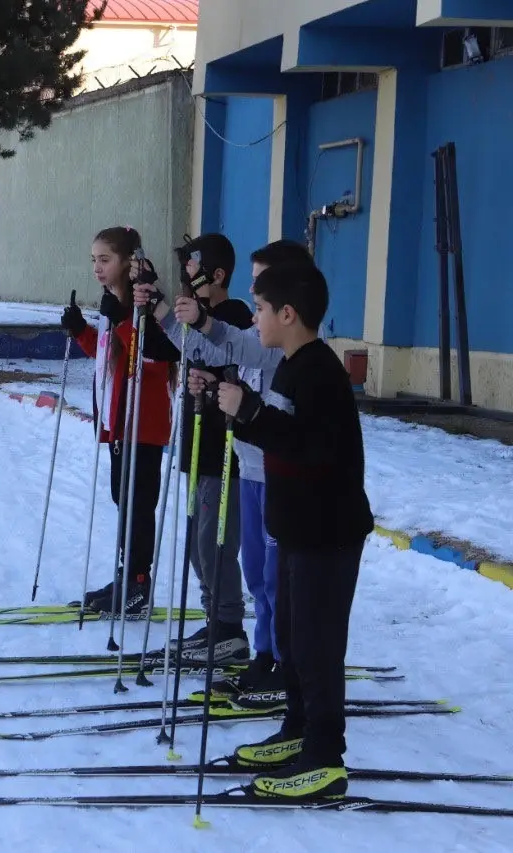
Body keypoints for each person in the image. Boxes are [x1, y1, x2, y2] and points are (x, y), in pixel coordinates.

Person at [213, 260, 373, 800]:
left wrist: (252, 413)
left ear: (288, 313)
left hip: (328, 532)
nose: (254, 319)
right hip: (295, 528)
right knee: (291, 638)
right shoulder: (289, 363)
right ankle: (299, 729)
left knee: (318, 646)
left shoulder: (320, 372)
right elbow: (278, 437)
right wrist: (234, 410)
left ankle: (326, 755)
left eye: (259, 309)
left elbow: (314, 448)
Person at [157, 239, 316, 693]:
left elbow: (238, 352)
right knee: (256, 578)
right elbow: (212, 353)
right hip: (250, 470)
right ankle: (266, 656)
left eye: (261, 287)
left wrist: (202, 322)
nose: (252, 295)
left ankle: (284, 663)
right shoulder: (261, 337)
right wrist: (172, 321)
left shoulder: (286, 351)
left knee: (273, 579)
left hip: (276, 476)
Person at [136, 234, 254, 665]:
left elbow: (226, 355)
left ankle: (230, 628)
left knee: (215, 544)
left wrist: (214, 373)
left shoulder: (233, 314)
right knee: (196, 548)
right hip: (195, 443)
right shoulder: (190, 315)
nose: (186, 271)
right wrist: (147, 305)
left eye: (192, 264)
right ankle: (214, 623)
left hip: (224, 450)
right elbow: (158, 347)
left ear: (216, 273)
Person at [60, 226, 178, 616]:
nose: (97, 266)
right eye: (93, 259)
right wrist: (81, 330)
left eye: (105, 259)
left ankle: (139, 584)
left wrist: (125, 320)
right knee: (122, 499)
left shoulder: (145, 303)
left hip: (143, 420)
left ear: (128, 262)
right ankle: (127, 575)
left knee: (139, 503)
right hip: (118, 419)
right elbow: (109, 355)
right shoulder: (113, 302)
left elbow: (152, 360)